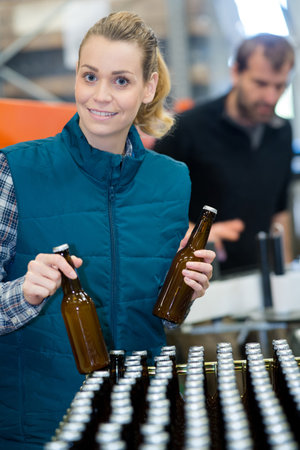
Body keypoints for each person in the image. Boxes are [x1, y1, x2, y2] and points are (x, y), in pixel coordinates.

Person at [0, 11, 215, 449]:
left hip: (142, 421)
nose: (101, 95)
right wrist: (22, 292)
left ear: (148, 87)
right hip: (39, 427)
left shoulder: (172, 182)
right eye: (90, 76)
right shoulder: (15, 169)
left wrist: (185, 292)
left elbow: (150, 316)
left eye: (121, 80)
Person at [154, 33, 295, 274]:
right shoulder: (187, 129)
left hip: (258, 277)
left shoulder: (282, 132)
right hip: (198, 279)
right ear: (236, 72)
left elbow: (279, 214)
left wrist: (287, 275)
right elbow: (148, 204)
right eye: (261, 84)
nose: (271, 97)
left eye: (279, 86)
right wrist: (192, 232)